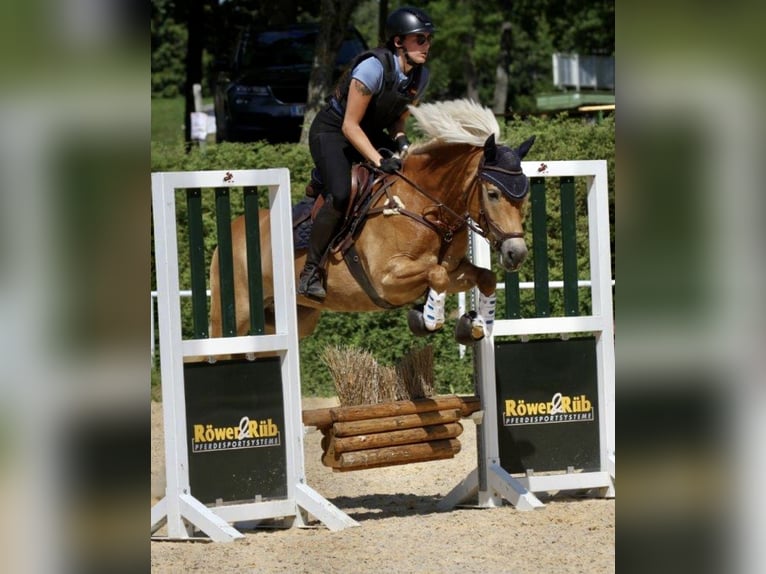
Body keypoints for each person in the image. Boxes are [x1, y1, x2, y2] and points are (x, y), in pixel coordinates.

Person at [297, 6, 436, 300]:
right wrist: (378, 160)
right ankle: (310, 271)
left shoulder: (420, 77)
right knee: (341, 192)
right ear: (399, 42)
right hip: (333, 132)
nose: (427, 45)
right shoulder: (372, 68)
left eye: (428, 39)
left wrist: (401, 145)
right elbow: (349, 125)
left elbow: (398, 122)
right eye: (420, 39)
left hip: (368, 132)